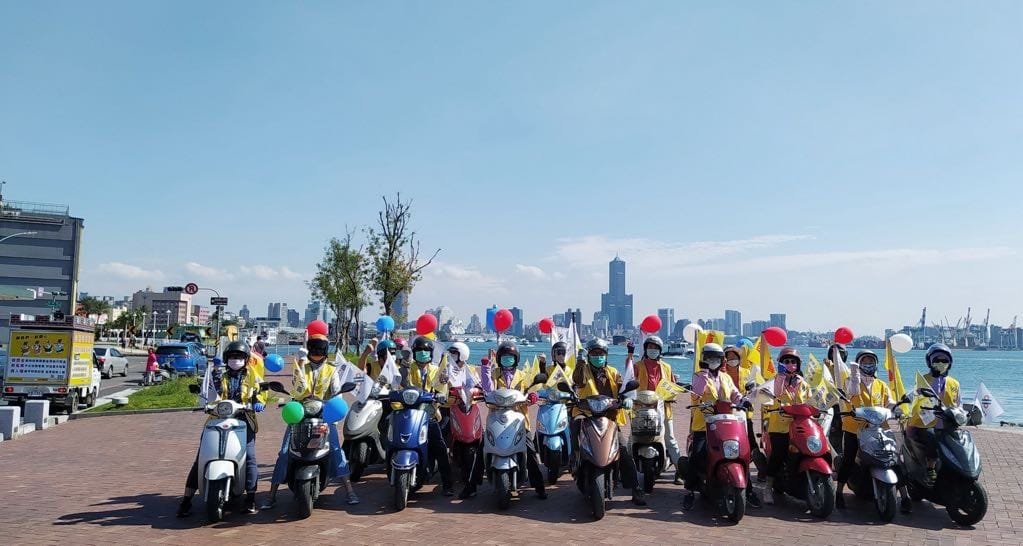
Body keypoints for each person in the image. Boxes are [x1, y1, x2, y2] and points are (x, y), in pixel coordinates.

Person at [262, 323, 359, 508]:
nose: (316, 352)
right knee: (284, 451)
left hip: (323, 415)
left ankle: (349, 491)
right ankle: (271, 495)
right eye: (313, 347)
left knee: (336, 449)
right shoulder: (302, 366)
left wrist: (335, 401)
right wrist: (299, 363)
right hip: (300, 414)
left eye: (320, 348)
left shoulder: (331, 369)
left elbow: (336, 390)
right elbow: (296, 386)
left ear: (325, 350)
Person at [177, 341, 267, 517]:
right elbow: (210, 392)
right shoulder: (219, 376)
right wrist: (205, 399)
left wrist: (259, 402)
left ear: (246, 359)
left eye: (239, 357)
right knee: (201, 457)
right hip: (217, 419)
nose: (235, 360)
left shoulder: (253, 376)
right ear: (226, 359)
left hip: (244, 419)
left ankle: (251, 498)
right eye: (232, 357)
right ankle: (186, 500)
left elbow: (261, 391)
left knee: (249, 457)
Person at [570, 338, 645, 506]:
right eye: (594, 354)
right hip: (586, 413)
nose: (598, 357)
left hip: (609, 417)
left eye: (601, 353)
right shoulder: (583, 370)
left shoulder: (613, 372)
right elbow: (578, 380)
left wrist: (627, 398)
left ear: (606, 355)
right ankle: (574, 461)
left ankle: (635, 488)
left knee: (623, 449)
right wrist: (580, 362)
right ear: (589, 355)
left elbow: (622, 386)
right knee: (575, 427)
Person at [834, 350, 911, 512]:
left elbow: (889, 402)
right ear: (859, 364)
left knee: (894, 458)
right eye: (864, 361)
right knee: (848, 459)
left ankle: (905, 496)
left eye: (871, 362)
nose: (868, 364)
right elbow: (851, 392)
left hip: (877, 428)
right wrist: (854, 375)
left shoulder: (881, 385)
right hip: (854, 428)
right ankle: (838, 492)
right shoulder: (851, 381)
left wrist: (896, 408)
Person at [681, 343, 748, 510]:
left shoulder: (726, 377)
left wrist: (743, 401)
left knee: (736, 450)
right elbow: (697, 393)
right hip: (703, 425)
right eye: (709, 358)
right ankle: (690, 490)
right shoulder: (698, 376)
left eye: (716, 358)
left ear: (721, 360)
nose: (713, 361)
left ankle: (747, 489)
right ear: (704, 359)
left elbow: (734, 393)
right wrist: (704, 373)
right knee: (697, 455)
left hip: (724, 422)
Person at [480, 340, 548, 499]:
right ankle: (471, 485)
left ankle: (539, 487)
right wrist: (485, 368)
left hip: (519, 420)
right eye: (504, 357)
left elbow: (532, 389)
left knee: (531, 451)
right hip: (497, 418)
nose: (507, 360)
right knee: (481, 449)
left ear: (516, 359)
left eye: (510, 357)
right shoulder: (495, 373)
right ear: (499, 359)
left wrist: (533, 396)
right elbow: (488, 388)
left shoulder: (523, 375)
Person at [402, 336, 455, 496]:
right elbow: (399, 385)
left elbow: (443, 388)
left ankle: (448, 484)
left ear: (431, 353)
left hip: (430, 414)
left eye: (426, 351)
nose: (423, 353)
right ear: (414, 353)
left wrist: (440, 397)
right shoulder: (407, 369)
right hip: (410, 413)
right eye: (419, 351)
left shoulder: (436, 370)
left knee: (440, 448)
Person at [906, 343, 961, 485]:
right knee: (931, 437)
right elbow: (915, 397)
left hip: (947, 423)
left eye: (944, 360)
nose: (941, 363)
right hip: (925, 423)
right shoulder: (923, 380)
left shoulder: (954, 383)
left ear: (950, 363)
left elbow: (958, 404)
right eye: (937, 360)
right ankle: (930, 468)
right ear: (929, 362)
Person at [762, 347, 811, 505]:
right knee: (778, 454)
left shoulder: (802, 383)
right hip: (779, 426)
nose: (790, 364)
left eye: (793, 361)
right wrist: (781, 377)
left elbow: (810, 401)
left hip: (799, 424)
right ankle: (767, 488)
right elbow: (776, 394)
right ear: (781, 363)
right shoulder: (775, 381)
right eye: (787, 361)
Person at [632, 335, 683, 485]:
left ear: (660, 350)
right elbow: (630, 382)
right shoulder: (637, 366)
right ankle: (628, 471)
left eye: (655, 348)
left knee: (670, 439)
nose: (652, 350)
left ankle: (680, 471)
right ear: (645, 349)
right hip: (641, 409)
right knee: (632, 439)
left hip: (663, 409)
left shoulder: (666, 367)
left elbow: (672, 386)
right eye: (650, 347)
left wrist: (672, 396)